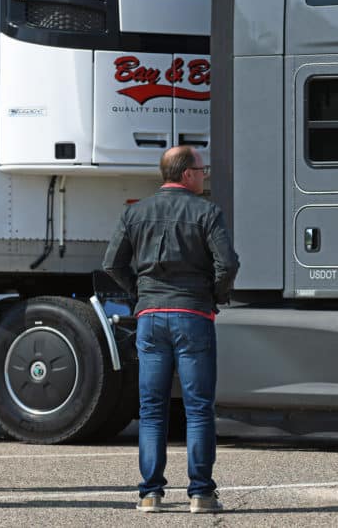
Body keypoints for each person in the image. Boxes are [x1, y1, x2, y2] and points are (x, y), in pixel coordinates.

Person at [103, 146, 239, 514]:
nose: (205, 173)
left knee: (151, 409)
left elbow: (112, 263)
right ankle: (201, 494)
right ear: (187, 174)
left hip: (150, 316)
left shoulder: (135, 212)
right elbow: (228, 263)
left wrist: (139, 293)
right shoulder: (207, 211)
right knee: (198, 408)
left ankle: (150, 494)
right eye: (202, 168)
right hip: (193, 314)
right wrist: (212, 296)